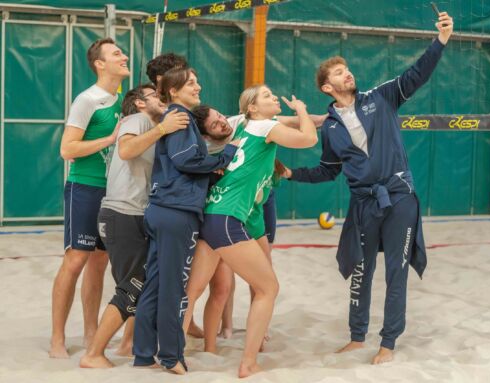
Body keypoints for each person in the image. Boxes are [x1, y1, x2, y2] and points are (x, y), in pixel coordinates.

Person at [281, 12, 454, 364]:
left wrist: (441, 40)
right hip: (364, 203)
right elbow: (327, 171)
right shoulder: (330, 127)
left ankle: (388, 342)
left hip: (399, 197)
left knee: (396, 270)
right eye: (339, 73)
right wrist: (289, 174)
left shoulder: (382, 97)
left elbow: (417, 74)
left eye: (347, 69)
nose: (348, 74)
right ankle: (357, 336)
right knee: (361, 269)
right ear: (327, 87)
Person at [198, 85, 318, 377]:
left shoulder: (252, 127)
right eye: (267, 96)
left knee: (194, 290)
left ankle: (180, 352)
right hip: (228, 219)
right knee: (268, 287)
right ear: (251, 108)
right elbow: (308, 138)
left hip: (214, 214)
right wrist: (301, 108)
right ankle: (248, 362)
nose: (274, 97)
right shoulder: (264, 126)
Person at [132, 67, 238, 374]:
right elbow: (186, 160)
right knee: (174, 287)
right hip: (176, 212)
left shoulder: (179, 119)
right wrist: (226, 155)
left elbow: (183, 162)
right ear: (174, 90)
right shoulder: (180, 119)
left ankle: (142, 353)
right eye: (191, 83)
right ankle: (170, 356)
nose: (199, 86)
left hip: (163, 209)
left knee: (155, 283)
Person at [79, 84, 189, 368]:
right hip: (122, 214)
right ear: (140, 103)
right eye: (154, 96)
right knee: (132, 287)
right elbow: (126, 150)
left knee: (142, 286)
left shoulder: (153, 127)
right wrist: (162, 129)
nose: (161, 100)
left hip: (136, 214)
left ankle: (132, 346)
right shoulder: (137, 120)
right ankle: (93, 354)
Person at [50, 38, 129, 358]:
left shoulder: (121, 99)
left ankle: (91, 332)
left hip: (115, 191)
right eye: (116, 54)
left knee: (99, 261)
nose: (123, 56)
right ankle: (57, 338)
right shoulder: (88, 100)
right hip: (85, 187)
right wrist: (110, 139)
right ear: (100, 63)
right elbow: (67, 149)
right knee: (76, 260)